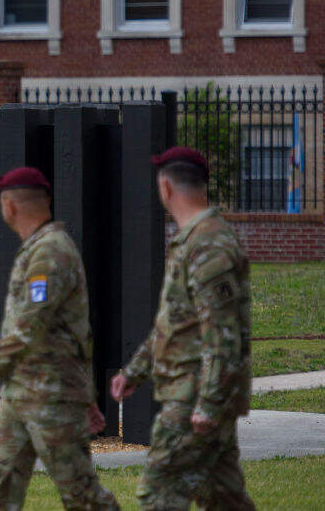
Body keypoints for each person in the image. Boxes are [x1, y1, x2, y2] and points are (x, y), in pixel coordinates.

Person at [0, 166, 119, 511]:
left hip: (52, 397)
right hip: (18, 396)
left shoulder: (50, 253)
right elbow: (75, 332)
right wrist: (88, 395)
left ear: (10, 205)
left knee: (82, 496)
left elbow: (30, 327)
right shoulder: (36, 250)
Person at [111, 147, 255, 510]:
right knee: (224, 499)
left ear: (166, 187)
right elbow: (174, 323)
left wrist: (207, 403)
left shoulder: (208, 245)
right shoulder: (192, 241)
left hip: (193, 396)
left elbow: (223, 334)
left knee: (158, 496)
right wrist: (135, 372)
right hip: (195, 392)